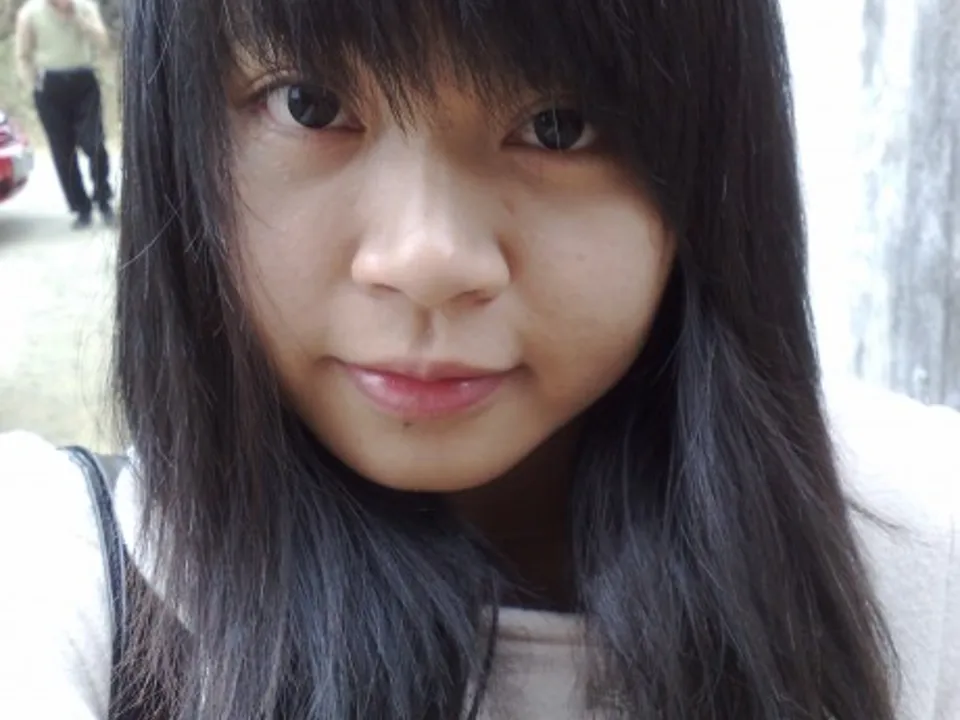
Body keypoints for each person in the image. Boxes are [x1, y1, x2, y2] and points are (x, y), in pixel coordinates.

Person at [0, 0, 958, 718]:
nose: (426, 261)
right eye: (310, 103)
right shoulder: (58, 577)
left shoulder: (920, 546)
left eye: (558, 125)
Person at [14, 0, 115, 229]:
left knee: (95, 145)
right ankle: (81, 208)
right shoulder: (30, 13)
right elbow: (23, 55)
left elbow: (103, 42)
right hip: (49, 84)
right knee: (63, 151)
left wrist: (79, 20)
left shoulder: (85, 7)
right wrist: (32, 83)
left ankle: (103, 198)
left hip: (83, 80)